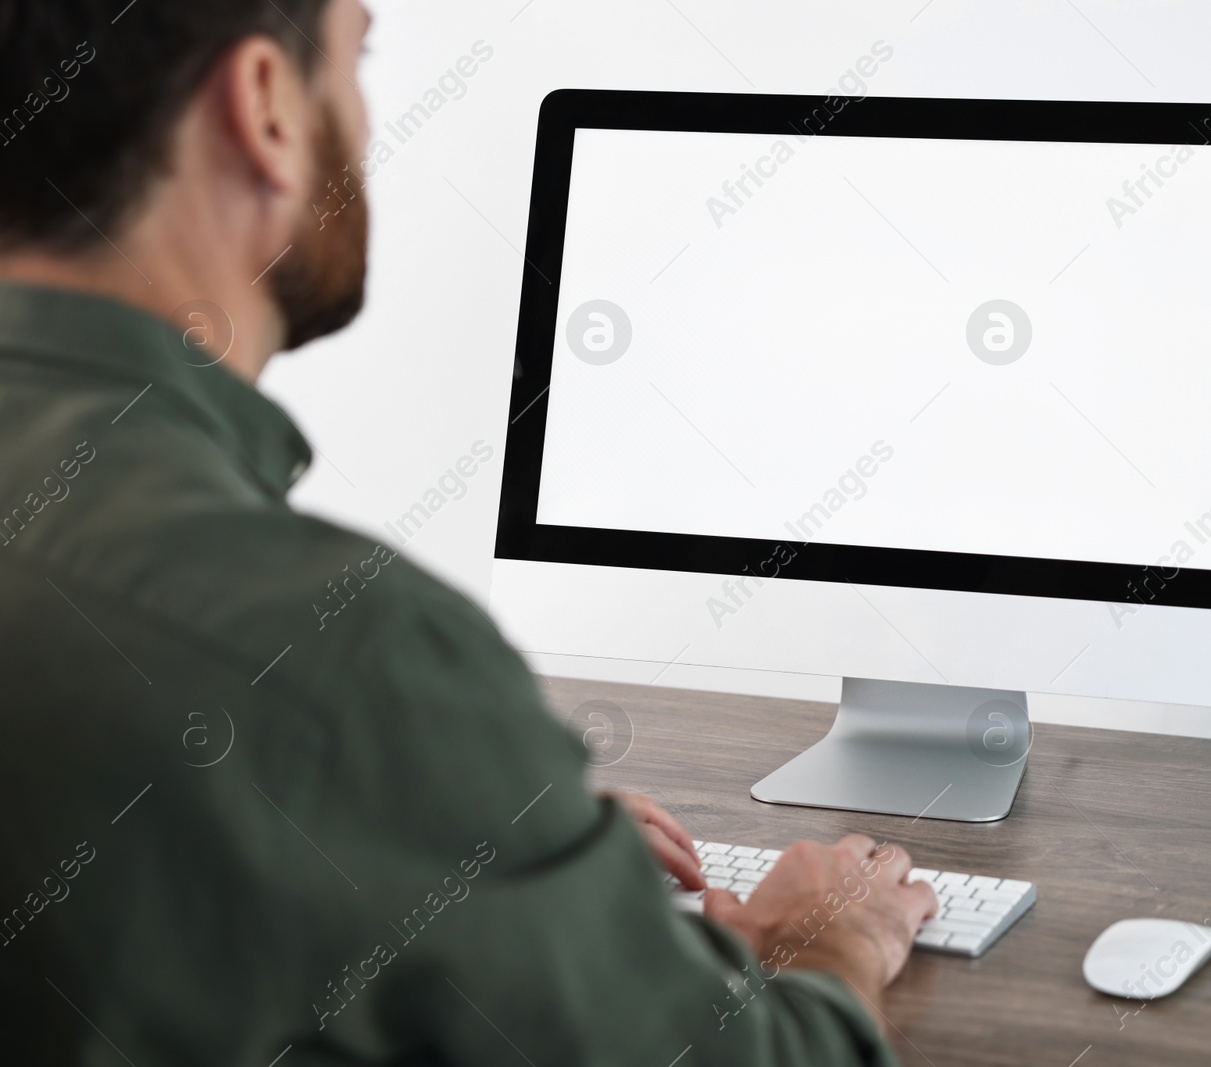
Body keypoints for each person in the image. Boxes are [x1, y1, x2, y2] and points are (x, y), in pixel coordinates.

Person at [0, 1, 938, 1062]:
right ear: (264, 105)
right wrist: (829, 942)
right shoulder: (342, 654)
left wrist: (459, 824)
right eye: (357, 59)